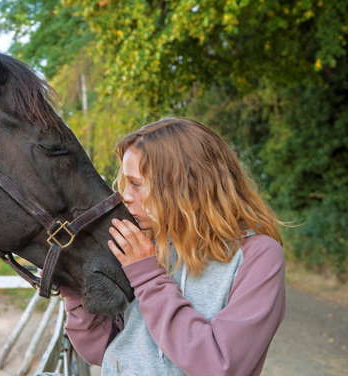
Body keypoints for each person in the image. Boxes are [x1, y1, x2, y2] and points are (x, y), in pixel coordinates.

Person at [61, 118, 285, 375]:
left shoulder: (259, 256)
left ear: (186, 186)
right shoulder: (145, 245)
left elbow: (222, 365)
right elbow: (102, 350)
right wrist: (75, 286)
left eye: (136, 184)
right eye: (125, 182)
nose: (125, 196)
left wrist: (147, 276)